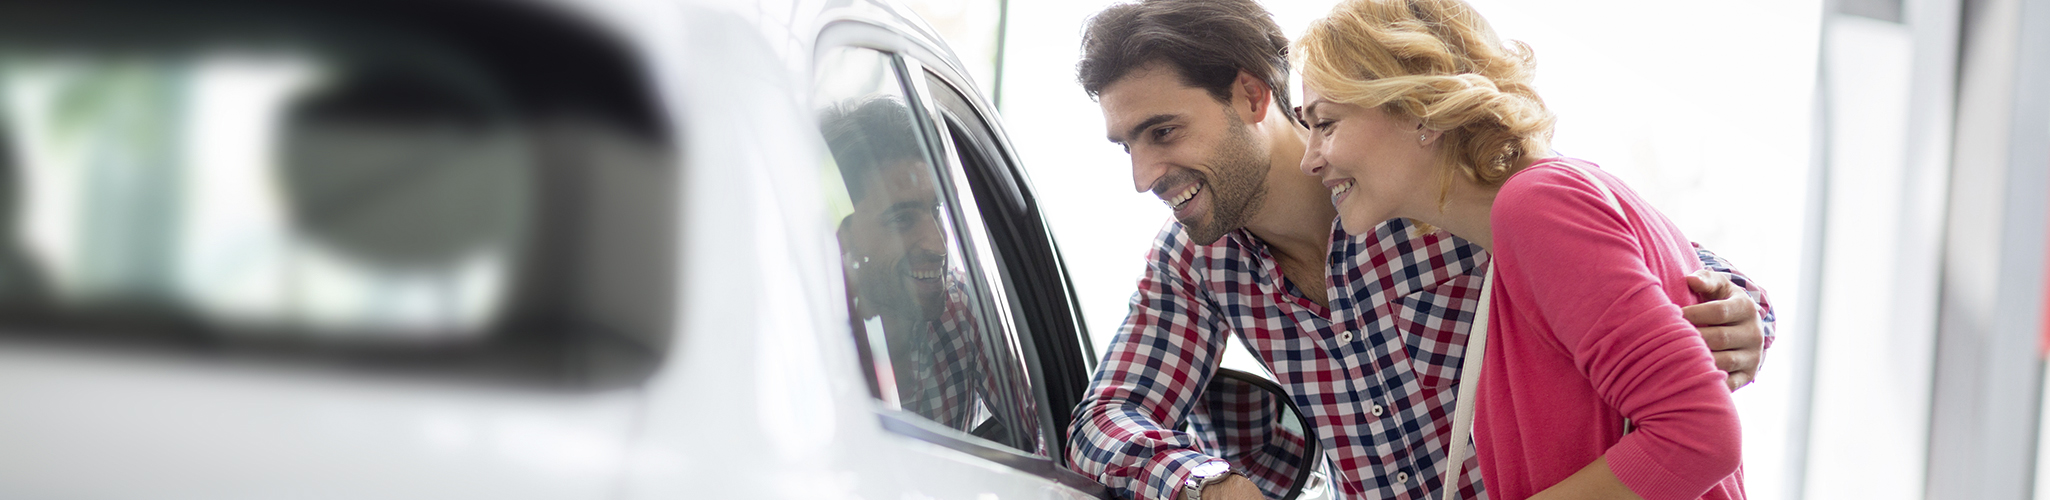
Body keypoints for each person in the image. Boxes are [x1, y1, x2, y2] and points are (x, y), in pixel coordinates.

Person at [1064, 1, 1775, 499]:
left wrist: (1739, 313)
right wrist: (1204, 484)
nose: (1142, 177)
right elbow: (1102, 421)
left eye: (1163, 132)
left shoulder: (1438, 187)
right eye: (1127, 146)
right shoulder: (1198, 262)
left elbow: (1648, 259)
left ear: (1252, 96)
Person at [1293, 1, 1742, 498]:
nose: (1309, 160)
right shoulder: (1523, 229)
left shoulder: (1538, 207)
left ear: (1420, 108)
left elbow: (1698, 436)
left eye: (1326, 123)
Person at [820, 97, 1035, 447]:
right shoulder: (801, 348)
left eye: (935, 210)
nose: (938, 246)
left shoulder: (962, 307)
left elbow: (1046, 434)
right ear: (840, 236)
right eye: (901, 219)